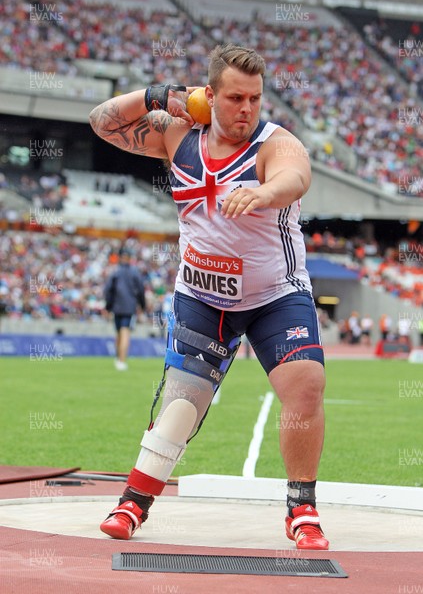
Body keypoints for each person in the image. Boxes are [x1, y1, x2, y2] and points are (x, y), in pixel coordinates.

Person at [90, 43, 328, 550]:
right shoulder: (177, 136)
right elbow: (102, 122)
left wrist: (264, 193)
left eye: (256, 99)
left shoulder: (273, 143)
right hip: (202, 295)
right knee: (182, 405)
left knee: (305, 386)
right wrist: (155, 95)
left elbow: (296, 175)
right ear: (208, 97)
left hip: (274, 294)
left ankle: (302, 510)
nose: (247, 109)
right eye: (236, 98)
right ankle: (134, 501)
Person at [104, 247, 145, 370]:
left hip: (117, 306)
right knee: (125, 332)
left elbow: (108, 290)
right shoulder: (134, 272)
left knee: (118, 333)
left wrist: (108, 306)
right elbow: (141, 290)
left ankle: (118, 358)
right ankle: (121, 360)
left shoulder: (115, 272)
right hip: (129, 306)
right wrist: (142, 305)